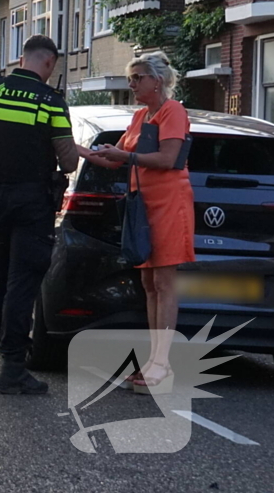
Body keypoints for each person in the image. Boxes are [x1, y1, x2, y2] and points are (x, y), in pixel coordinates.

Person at [0, 34, 78, 395]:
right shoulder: (50, 102)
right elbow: (68, 161)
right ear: (49, 63)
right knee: (21, 284)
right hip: (32, 201)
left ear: (22, 57)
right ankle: (12, 367)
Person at [83, 51, 193, 393]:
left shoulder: (172, 111)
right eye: (131, 78)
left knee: (164, 283)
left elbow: (167, 158)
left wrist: (124, 156)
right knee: (149, 284)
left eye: (137, 78)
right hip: (144, 205)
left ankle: (162, 365)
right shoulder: (140, 117)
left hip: (170, 203)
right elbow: (114, 159)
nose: (132, 84)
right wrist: (79, 150)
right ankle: (153, 361)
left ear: (156, 81)